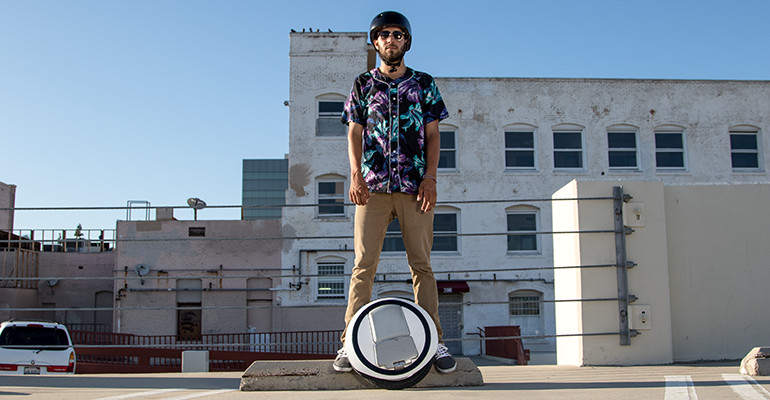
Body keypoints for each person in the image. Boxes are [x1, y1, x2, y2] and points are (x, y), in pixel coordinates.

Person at [335, 10, 456, 374]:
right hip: (371, 188)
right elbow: (354, 132)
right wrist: (355, 175)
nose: (391, 40)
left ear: (407, 41)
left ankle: (435, 343)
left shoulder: (424, 83)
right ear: (375, 42)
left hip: (414, 188)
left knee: (422, 264)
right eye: (384, 34)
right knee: (363, 265)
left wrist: (430, 178)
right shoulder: (363, 84)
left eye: (398, 34)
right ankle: (348, 344)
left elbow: (433, 135)